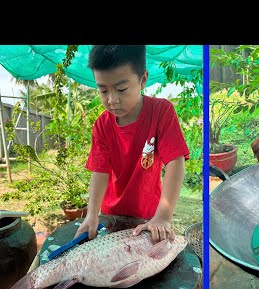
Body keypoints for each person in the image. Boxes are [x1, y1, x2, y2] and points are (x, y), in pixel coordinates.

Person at [74, 45, 190, 243]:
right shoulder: (102, 125)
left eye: (121, 89)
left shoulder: (161, 112)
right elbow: (100, 172)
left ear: (143, 80)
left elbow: (175, 161)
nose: (112, 100)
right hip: (111, 217)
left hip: (149, 217)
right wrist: (92, 214)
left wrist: (163, 216)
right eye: (103, 90)